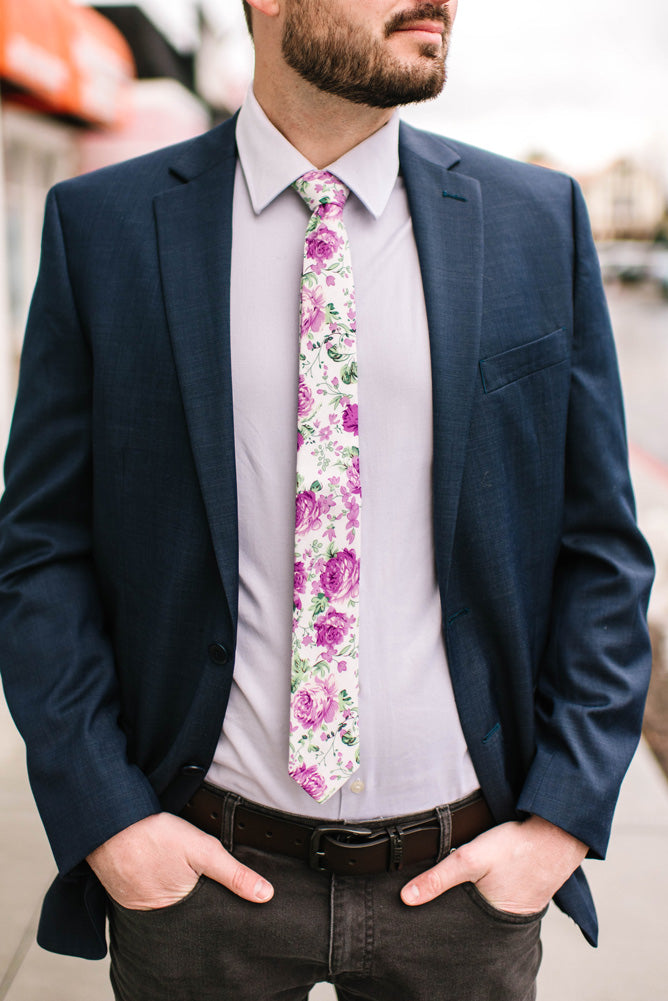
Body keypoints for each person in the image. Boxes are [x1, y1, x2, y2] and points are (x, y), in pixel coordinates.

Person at [0, 1, 654, 998]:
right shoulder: (107, 228)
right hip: (199, 887)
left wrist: (558, 821)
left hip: (461, 894)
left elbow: (599, 547)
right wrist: (111, 820)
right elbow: (42, 547)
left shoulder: (533, 221)